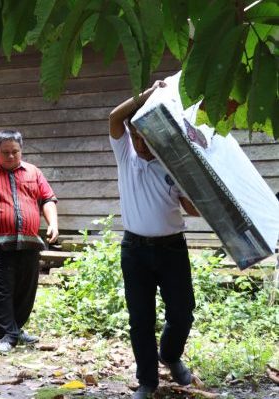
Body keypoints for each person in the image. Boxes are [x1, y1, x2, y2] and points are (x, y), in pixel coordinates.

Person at [109, 81, 200, 399]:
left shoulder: (172, 164)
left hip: (172, 248)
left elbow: (193, 209)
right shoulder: (126, 156)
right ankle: (147, 380)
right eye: (134, 135)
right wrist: (147, 94)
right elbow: (113, 117)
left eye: (143, 136)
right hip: (134, 250)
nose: (139, 141)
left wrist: (191, 182)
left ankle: (171, 355)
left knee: (183, 311)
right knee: (140, 319)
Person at [0, 130, 59, 353]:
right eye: (5, 152)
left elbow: (47, 198)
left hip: (28, 241)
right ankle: (5, 335)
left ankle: (16, 328)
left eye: (15, 152)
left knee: (26, 289)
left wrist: (52, 223)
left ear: (21, 150)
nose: (11, 156)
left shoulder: (33, 172)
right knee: (1, 290)